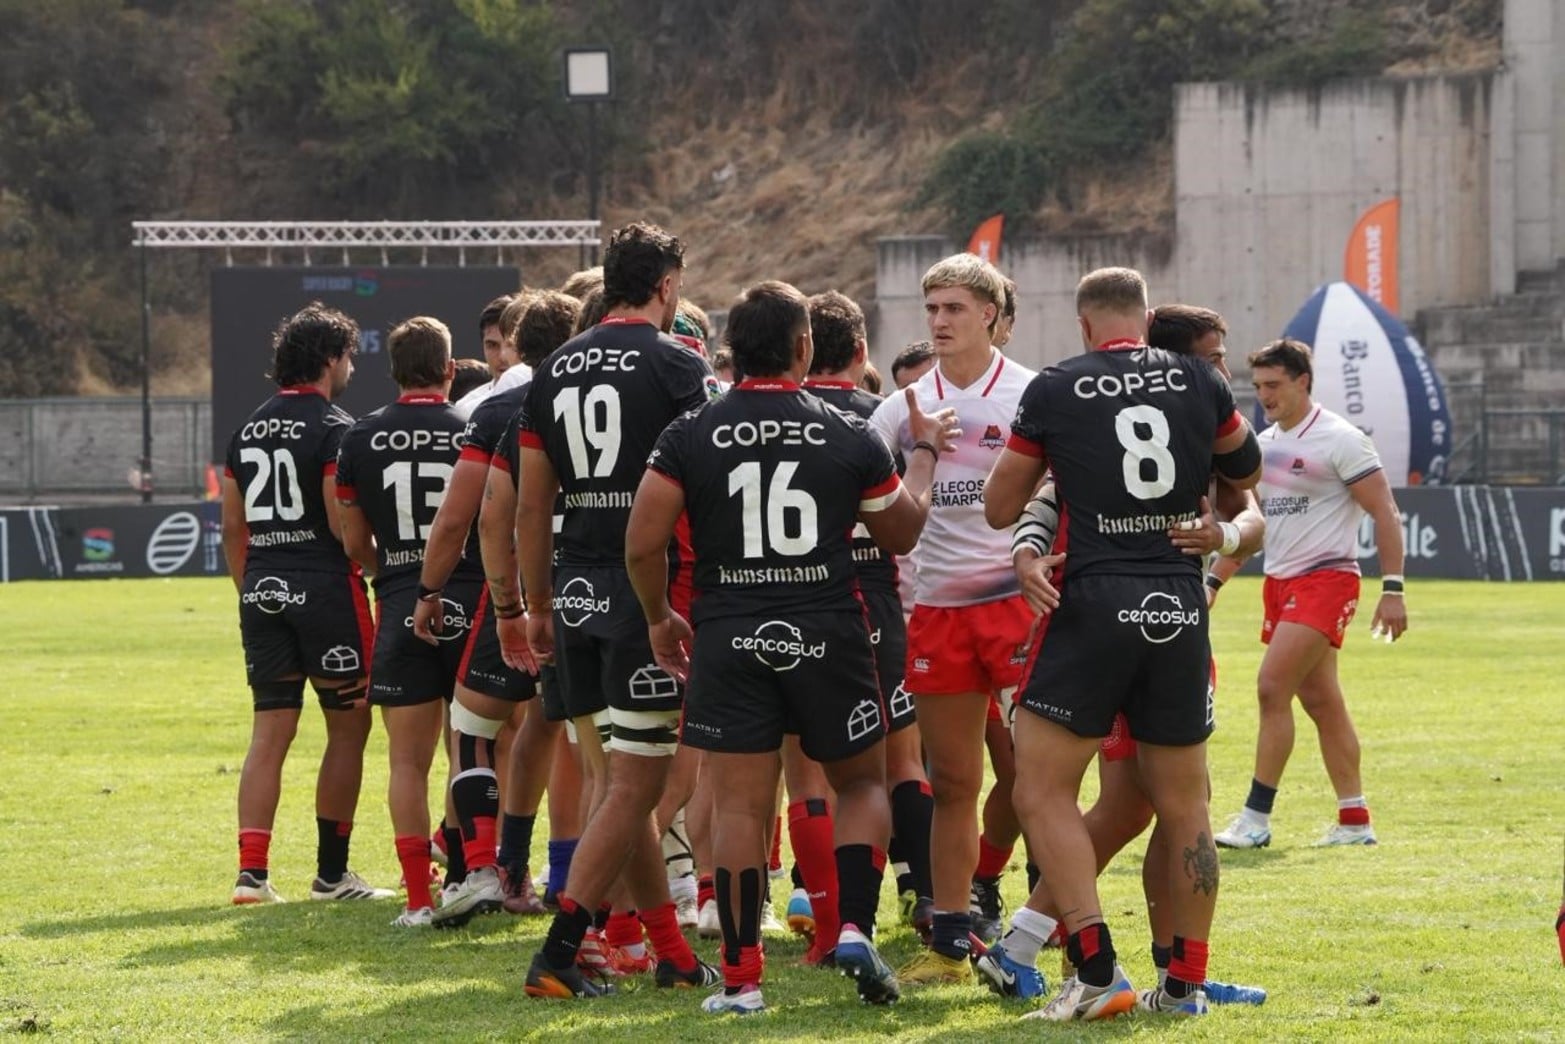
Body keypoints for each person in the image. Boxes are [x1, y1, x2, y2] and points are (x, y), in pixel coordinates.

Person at [626, 280, 957, 1013]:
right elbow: (901, 532)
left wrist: (658, 617)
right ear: (803, 347)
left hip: (729, 631)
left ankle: (742, 982)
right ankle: (854, 927)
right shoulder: (847, 434)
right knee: (862, 784)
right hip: (828, 630)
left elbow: (642, 541)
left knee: (741, 809)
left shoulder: (690, 432)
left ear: (732, 352)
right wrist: (926, 453)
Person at [984, 266, 1262, 1020]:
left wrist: (1037, 519)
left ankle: (1096, 967)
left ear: (1082, 326)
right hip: (1176, 602)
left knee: (1039, 788)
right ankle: (1183, 986)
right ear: (1144, 320)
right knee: (1184, 807)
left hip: (1095, 602)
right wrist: (1219, 524)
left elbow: (1000, 503)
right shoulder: (1198, 387)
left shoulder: (1055, 387)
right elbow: (1247, 474)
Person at [519, 221, 719, 999]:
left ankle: (669, 951)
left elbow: (533, 507)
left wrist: (531, 603)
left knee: (620, 779)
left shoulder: (554, 368)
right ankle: (563, 950)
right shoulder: (678, 363)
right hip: (649, 593)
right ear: (667, 286)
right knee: (636, 783)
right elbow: (708, 476)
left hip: (573, 588)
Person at [867, 253, 1036, 984]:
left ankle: (1041, 917)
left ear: (992, 317)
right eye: (931, 307)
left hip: (1018, 607)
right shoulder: (899, 408)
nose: (937, 321)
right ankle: (949, 941)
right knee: (955, 781)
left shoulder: (1031, 395)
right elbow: (863, 496)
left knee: (1035, 778)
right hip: (935, 611)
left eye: (954, 309)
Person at [220, 301, 389, 905]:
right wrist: (385, 570)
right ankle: (331, 874)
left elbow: (232, 530)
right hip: (325, 591)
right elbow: (346, 528)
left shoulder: (247, 429)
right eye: (347, 356)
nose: (350, 367)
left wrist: (255, 590)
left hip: (263, 588)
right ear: (329, 359)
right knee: (349, 726)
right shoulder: (334, 427)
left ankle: (252, 874)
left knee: (270, 732)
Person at [1213, 337, 1408, 850]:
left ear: (1303, 381)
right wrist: (1214, 580)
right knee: (1322, 701)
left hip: (1327, 579)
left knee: (1271, 687)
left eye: (1274, 385)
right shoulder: (1263, 444)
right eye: (1257, 387)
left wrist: (1393, 589)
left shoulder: (1341, 439)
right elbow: (1258, 529)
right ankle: (1355, 819)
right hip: (1281, 585)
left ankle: (1255, 819)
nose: (1265, 396)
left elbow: (1384, 512)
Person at [803, 290, 937, 949]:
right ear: (861, 353)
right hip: (877, 602)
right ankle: (921, 890)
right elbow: (907, 522)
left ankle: (820, 909)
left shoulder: (786, 417)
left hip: (795, 602)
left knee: (809, 768)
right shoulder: (877, 418)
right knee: (899, 757)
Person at [334, 316, 476, 927]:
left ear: (392, 372)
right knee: (468, 750)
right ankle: (468, 877)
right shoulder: (473, 428)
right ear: (450, 370)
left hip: (399, 600)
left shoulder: (358, 439)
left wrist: (390, 570)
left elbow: (352, 537)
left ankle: (418, 896)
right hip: (469, 600)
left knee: (405, 762)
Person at [412, 298, 544, 927]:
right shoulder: (637, 391)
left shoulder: (495, 408)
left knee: (471, 729)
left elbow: (468, 514)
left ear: (517, 345)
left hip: (517, 594)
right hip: (605, 591)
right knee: (576, 744)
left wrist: (428, 589)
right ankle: (571, 884)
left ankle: (485, 867)